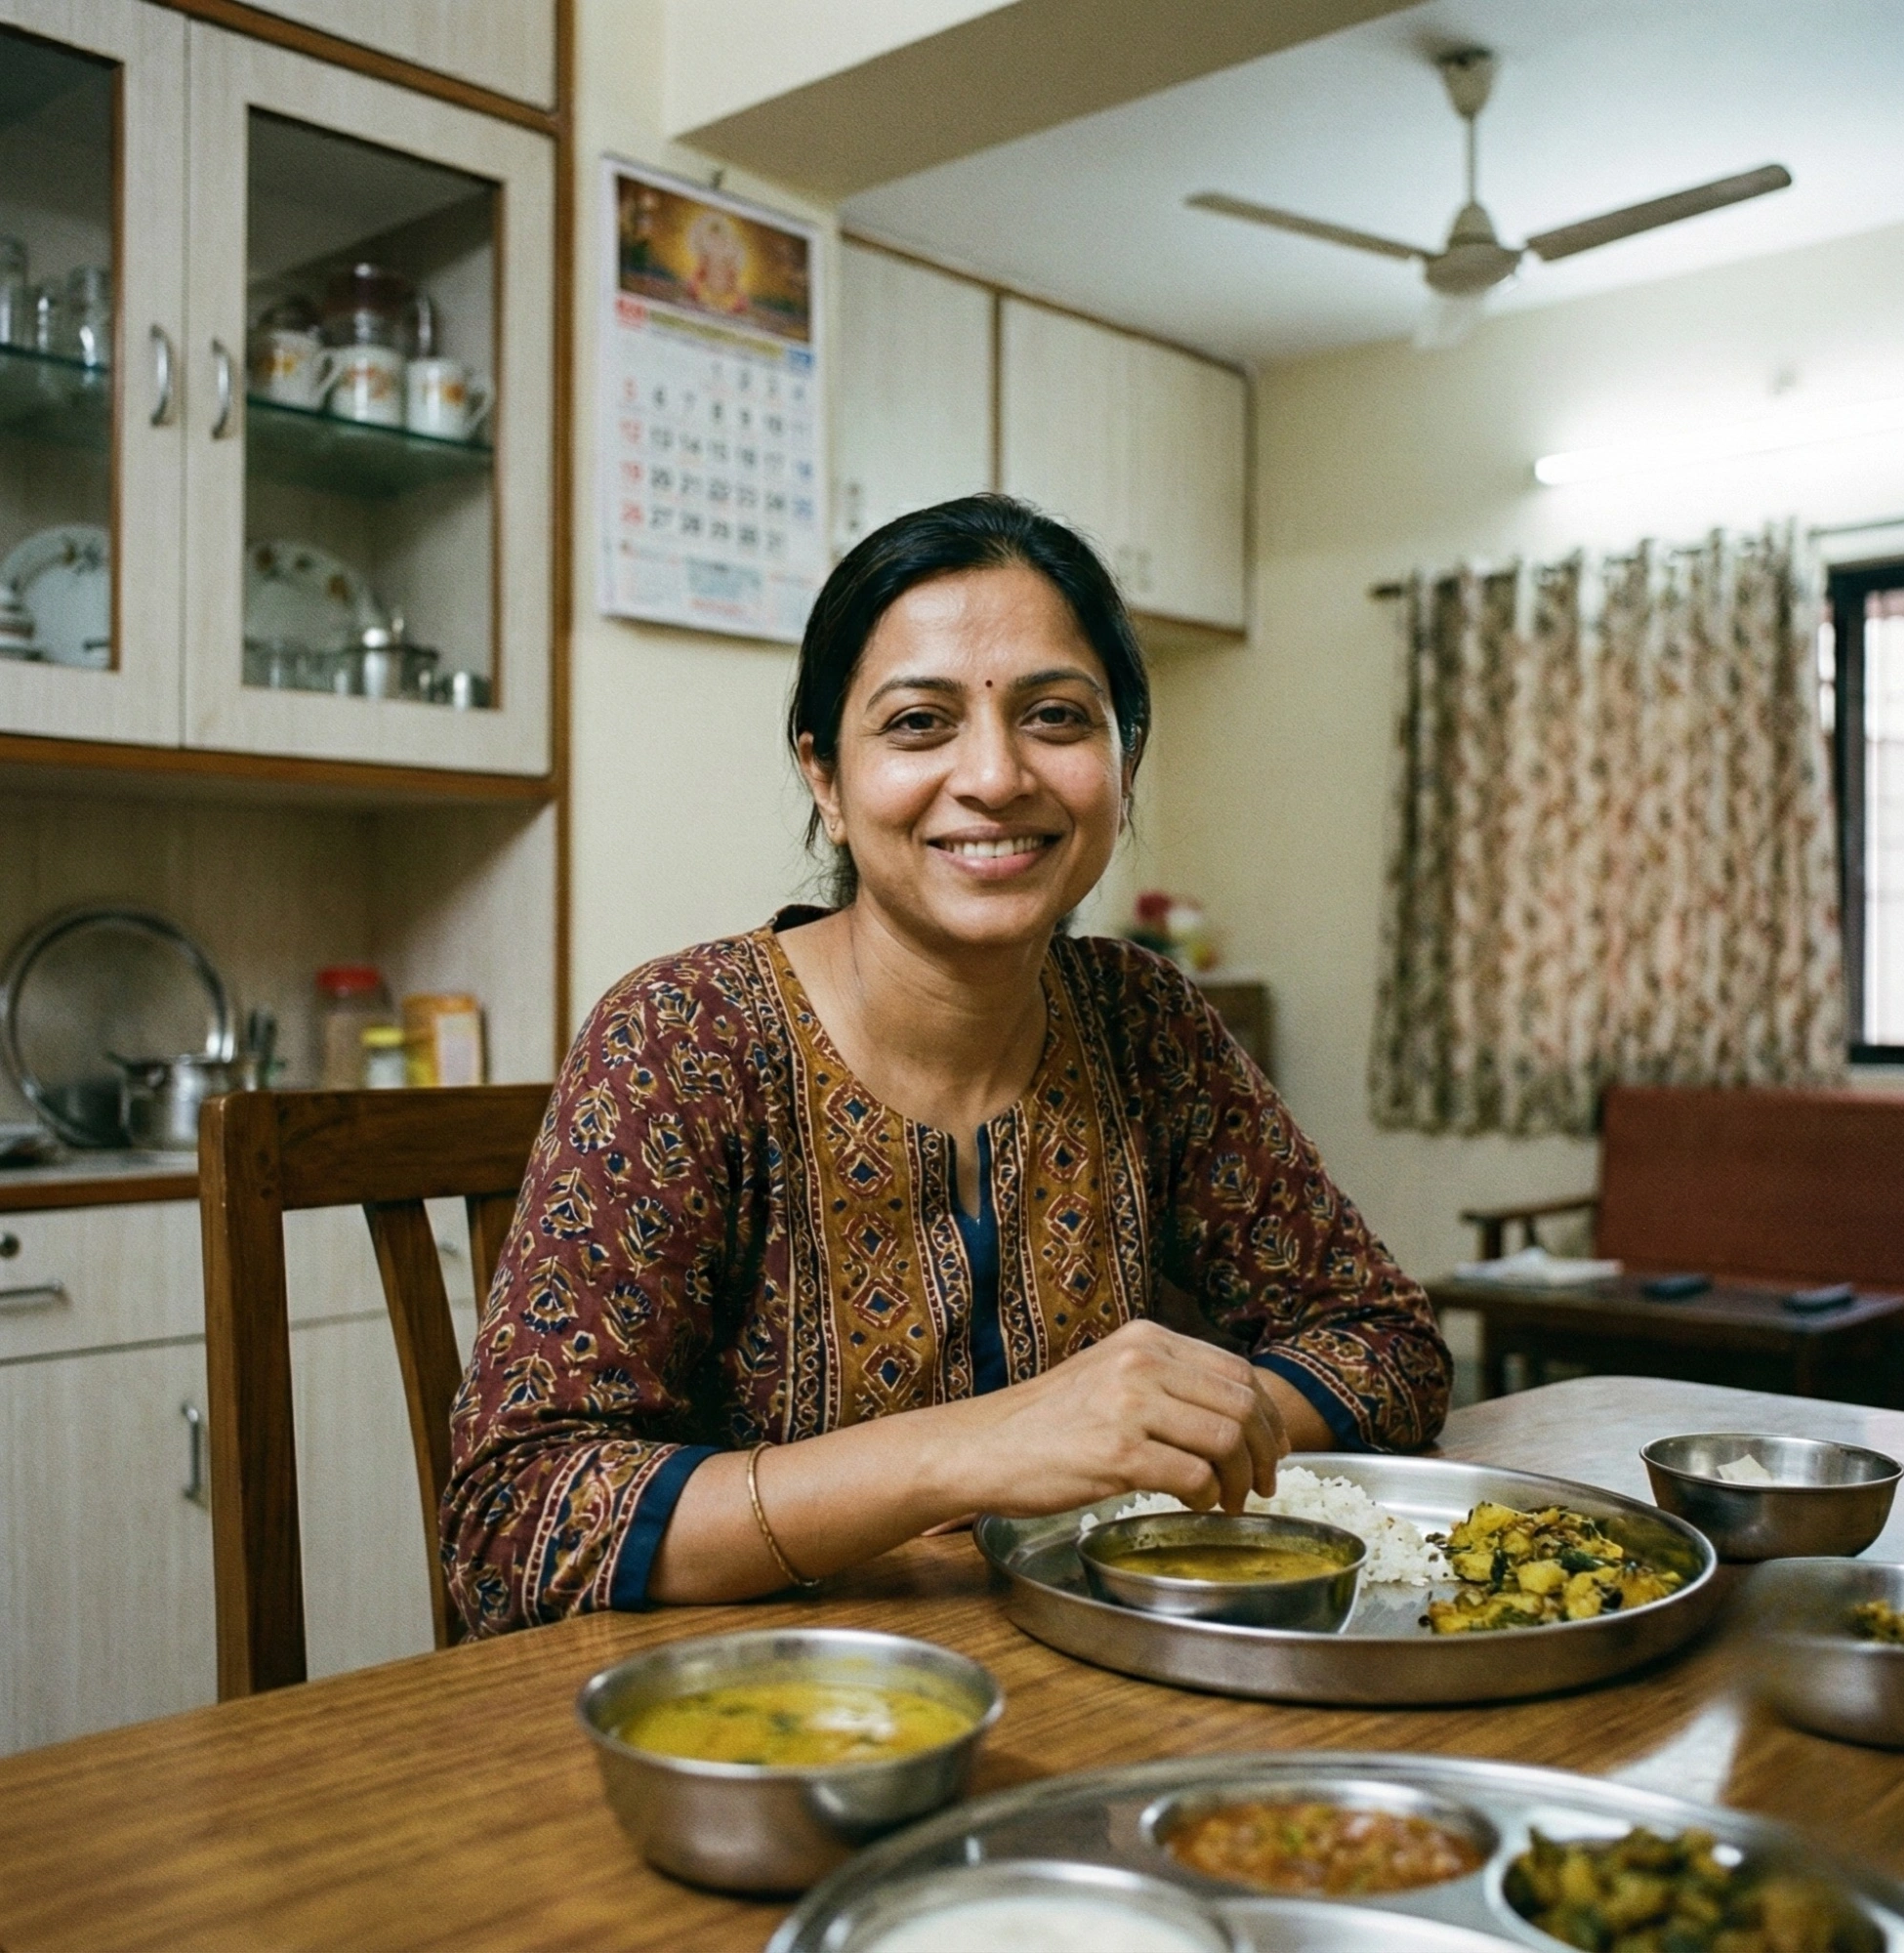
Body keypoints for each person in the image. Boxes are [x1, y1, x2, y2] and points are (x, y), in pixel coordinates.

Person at [441, 495, 1450, 1634]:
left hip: (1085, 1680)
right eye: (918, 723)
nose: (994, 775)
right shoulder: (685, 1037)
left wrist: (1151, 1431)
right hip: (753, 1730)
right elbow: (514, 1524)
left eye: (1056, 716)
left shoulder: (1144, 1019)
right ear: (824, 775)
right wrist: (985, 1446)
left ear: (1122, 758)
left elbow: (1385, 1338)